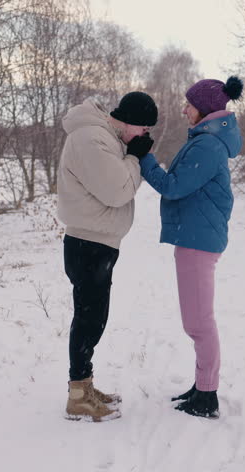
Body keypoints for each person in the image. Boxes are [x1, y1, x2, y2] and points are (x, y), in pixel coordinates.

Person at [137, 76, 244, 418]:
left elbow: (173, 186)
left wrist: (145, 158)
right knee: (196, 320)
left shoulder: (208, 146)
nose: (184, 110)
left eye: (189, 105)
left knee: (199, 322)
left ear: (205, 109)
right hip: (196, 237)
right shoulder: (207, 140)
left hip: (198, 240)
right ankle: (201, 387)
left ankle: (208, 394)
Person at [57, 91, 157, 422]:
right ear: (131, 121)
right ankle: (78, 397)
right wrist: (134, 159)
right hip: (88, 243)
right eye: (144, 129)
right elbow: (117, 191)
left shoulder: (103, 137)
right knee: (88, 319)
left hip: (97, 242)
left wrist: (131, 155)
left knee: (94, 317)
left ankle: (84, 385)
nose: (145, 136)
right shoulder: (91, 138)